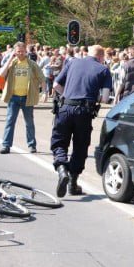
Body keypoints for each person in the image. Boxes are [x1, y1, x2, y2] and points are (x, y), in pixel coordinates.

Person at [51, 45, 112, 197]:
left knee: (59, 141)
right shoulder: (103, 70)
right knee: (80, 146)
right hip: (84, 111)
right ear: (101, 57)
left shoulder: (72, 62)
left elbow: (55, 85)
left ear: (87, 54)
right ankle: (72, 183)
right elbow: (104, 98)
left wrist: (68, 95)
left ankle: (61, 169)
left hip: (65, 107)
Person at [0, 42, 45, 154]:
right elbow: (1, 74)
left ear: (26, 51)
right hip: (13, 97)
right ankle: (6, 145)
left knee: (29, 123)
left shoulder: (32, 64)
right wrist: (10, 58)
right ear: (15, 51)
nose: (20, 54)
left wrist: (44, 92)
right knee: (10, 121)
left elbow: (42, 78)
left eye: (22, 51)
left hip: (27, 98)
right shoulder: (12, 63)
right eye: (18, 51)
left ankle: (32, 145)